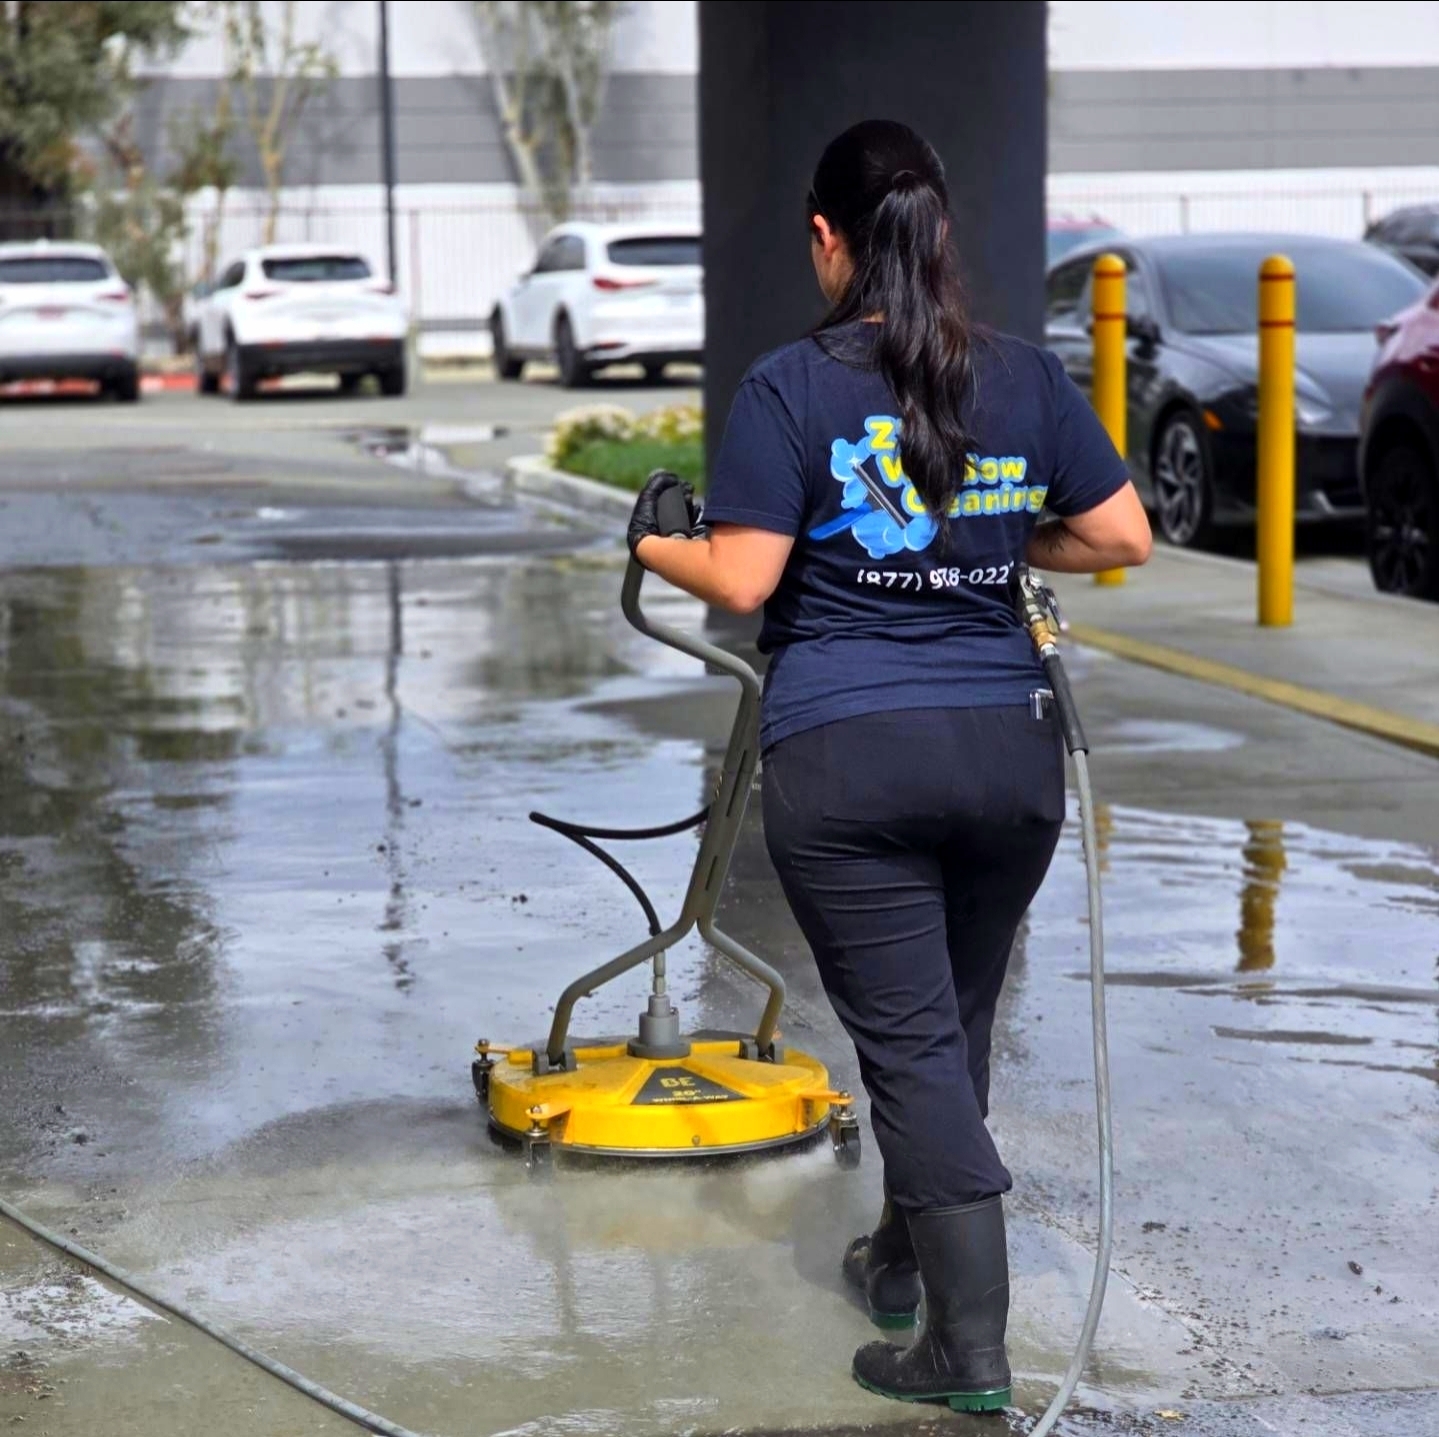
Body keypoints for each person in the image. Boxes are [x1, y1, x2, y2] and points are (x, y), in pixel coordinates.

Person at [627, 118, 1150, 1411]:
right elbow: (1121, 532)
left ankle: (968, 1359)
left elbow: (743, 576)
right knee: (947, 1031)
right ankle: (900, 1268)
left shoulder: (788, 388)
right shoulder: (1022, 376)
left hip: (851, 766)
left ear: (827, 239)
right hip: (1007, 761)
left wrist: (652, 543)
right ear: (941, 235)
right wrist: (1001, 550)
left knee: (915, 1050)